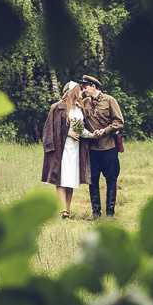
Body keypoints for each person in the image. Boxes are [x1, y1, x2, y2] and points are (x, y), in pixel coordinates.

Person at [41, 80, 96, 219]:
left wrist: (90, 135)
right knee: (60, 177)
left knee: (71, 178)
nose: (82, 92)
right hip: (62, 148)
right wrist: (68, 134)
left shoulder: (79, 108)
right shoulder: (57, 108)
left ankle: (68, 209)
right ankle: (63, 210)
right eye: (80, 90)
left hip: (75, 148)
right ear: (73, 92)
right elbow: (49, 130)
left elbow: (80, 129)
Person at [79, 75, 124, 220]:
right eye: (82, 87)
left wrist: (104, 131)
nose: (84, 90)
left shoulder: (109, 100)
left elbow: (119, 122)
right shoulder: (84, 103)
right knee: (93, 180)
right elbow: (79, 121)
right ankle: (95, 211)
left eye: (85, 87)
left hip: (108, 147)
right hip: (92, 149)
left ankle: (110, 213)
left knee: (111, 179)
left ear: (93, 86)